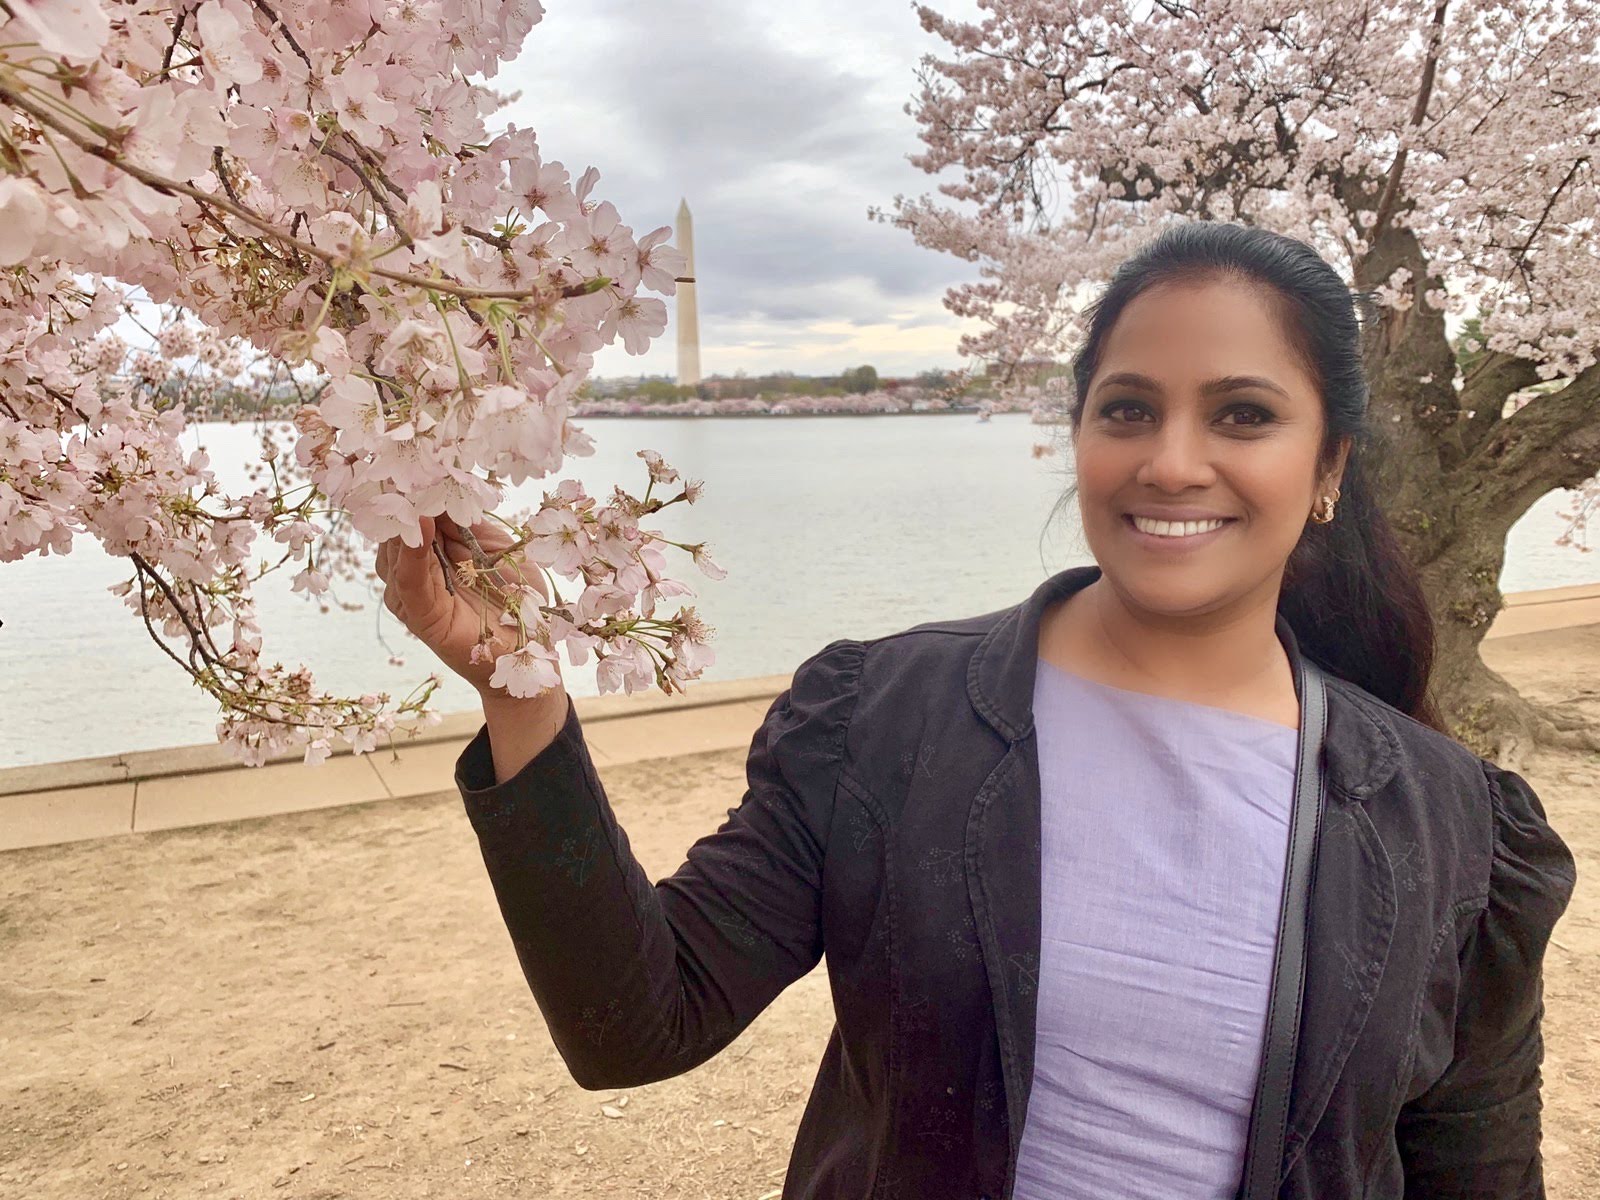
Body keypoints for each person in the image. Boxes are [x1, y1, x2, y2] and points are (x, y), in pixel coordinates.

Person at [374, 221, 1577, 1200]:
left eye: (1243, 415)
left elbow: (1473, 1175)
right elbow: (638, 1022)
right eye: (1126, 408)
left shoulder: (1452, 827)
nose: (1169, 460)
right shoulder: (885, 719)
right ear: (1076, 438)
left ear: (1326, 472)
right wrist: (519, 684)